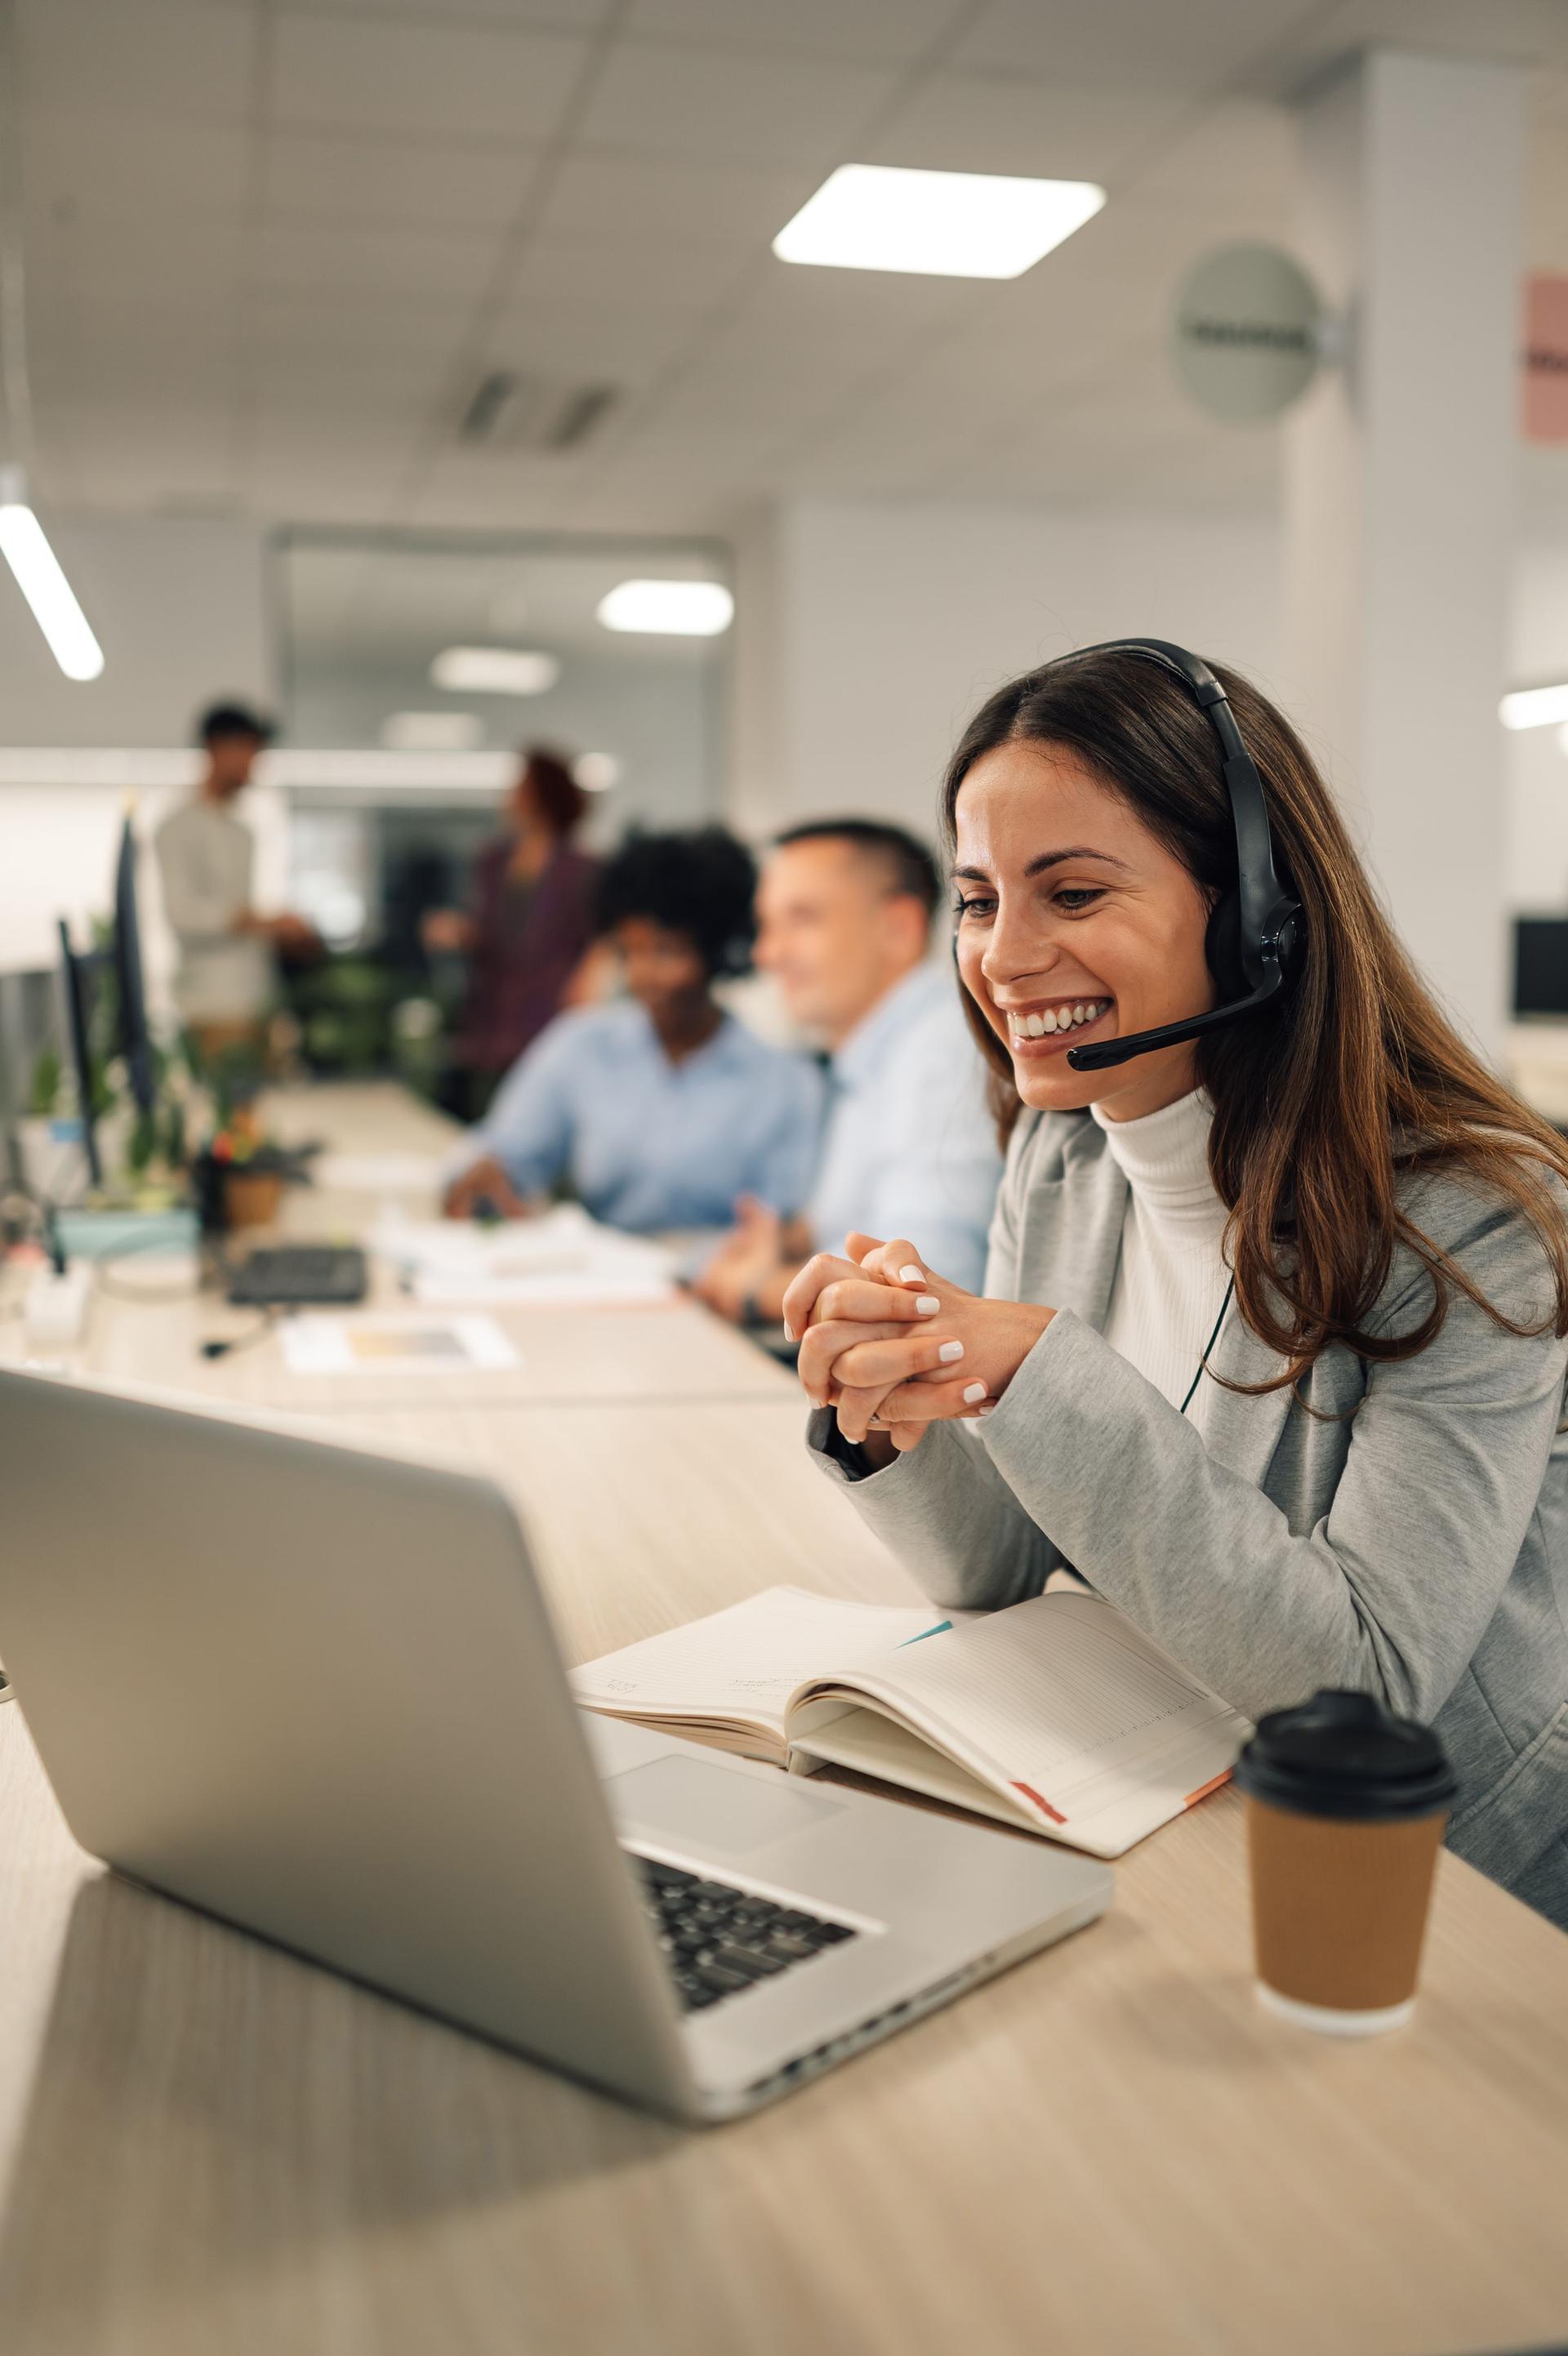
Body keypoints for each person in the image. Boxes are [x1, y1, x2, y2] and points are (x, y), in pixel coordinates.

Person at [785, 644, 1568, 1927]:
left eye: (1074, 893)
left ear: (1258, 910)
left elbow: (1359, 1688)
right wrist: (896, 1417)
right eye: (978, 900)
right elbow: (1004, 1562)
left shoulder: (1467, 1222)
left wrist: (1038, 1372)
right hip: (1173, 1788)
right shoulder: (1065, 1153)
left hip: (1436, 1888)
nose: (1003, 956)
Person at [693, 820, 1000, 1328]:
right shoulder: (870, 1055)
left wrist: (755, 1289)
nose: (766, 954)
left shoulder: (941, 1050)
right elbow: (869, 1228)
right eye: (767, 926)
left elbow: (920, 1287)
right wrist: (789, 1240)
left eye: (803, 919)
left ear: (898, 930)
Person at [443, 827, 823, 1235]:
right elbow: (507, 1145)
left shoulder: (783, 1081)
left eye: (666, 951)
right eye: (630, 952)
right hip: (598, 1278)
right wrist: (484, 1171)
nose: (642, 974)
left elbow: (788, 1226)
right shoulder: (583, 1046)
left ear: (716, 953)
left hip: (719, 1288)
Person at [425, 746, 600, 1123]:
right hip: (493, 1012)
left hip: (550, 1008)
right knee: (488, 1113)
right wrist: (460, 933)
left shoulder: (581, 868)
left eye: (521, 784)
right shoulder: (493, 861)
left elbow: (596, 937)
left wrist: (587, 977)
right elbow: (490, 932)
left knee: (545, 1112)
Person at [154, 702, 319, 1063]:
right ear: (215, 749)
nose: (252, 765)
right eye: (246, 751)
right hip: (212, 1006)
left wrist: (280, 932)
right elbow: (183, 915)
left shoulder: (243, 830)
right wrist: (264, 922)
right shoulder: (178, 825)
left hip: (256, 999)